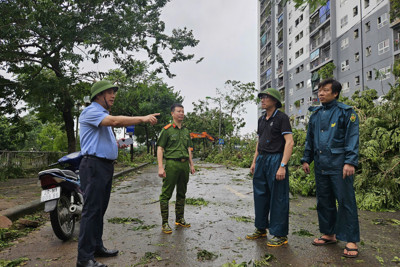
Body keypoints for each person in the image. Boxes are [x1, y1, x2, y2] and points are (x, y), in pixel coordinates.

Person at [77, 80, 159, 267]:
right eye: (109, 92)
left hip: (104, 166)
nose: (113, 95)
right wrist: (143, 118)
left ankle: (97, 247)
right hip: (94, 166)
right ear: (98, 95)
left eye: (114, 92)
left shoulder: (102, 114)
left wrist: (120, 144)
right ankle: (84, 259)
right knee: (91, 212)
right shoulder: (91, 111)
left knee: (99, 210)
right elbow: (115, 121)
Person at [301, 78, 360, 258]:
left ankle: (350, 239)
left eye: (325, 90)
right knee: (324, 201)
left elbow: (352, 137)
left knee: (345, 202)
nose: (321, 93)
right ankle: (329, 234)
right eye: (319, 90)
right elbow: (310, 139)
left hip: (339, 164)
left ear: (335, 93)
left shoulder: (346, 112)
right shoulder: (316, 115)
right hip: (321, 165)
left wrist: (350, 161)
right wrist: (306, 159)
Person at [247, 88, 294, 247]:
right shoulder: (261, 120)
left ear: (274, 101)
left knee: (278, 197)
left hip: (276, 159)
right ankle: (261, 228)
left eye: (266, 97)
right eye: (262, 97)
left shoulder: (282, 118)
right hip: (262, 159)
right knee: (260, 195)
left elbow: (289, 142)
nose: (262, 100)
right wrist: (254, 161)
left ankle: (280, 234)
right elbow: (259, 142)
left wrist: (282, 166)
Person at [157, 103, 195, 234]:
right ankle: (165, 223)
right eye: (179, 111)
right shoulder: (167, 130)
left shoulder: (186, 131)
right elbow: (160, 148)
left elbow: (189, 149)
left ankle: (179, 219)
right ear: (172, 113)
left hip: (184, 165)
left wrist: (191, 164)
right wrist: (161, 167)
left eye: (183, 111)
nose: (181, 113)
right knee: (166, 194)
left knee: (181, 193)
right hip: (172, 164)